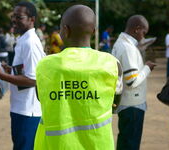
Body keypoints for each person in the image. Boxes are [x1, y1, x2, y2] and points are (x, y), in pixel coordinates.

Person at [34, 5, 122, 150]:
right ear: (94, 31)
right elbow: (115, 104)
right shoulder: (112, 64)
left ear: (65, 30)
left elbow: (40, 97)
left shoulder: (45, 65)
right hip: (98, 145)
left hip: (55, 145)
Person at [0, 1, 45, 150]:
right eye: (13, 16)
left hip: (28, 110)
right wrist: (10, 70)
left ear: (31, 19)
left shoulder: (30, 43)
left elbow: (33, 80)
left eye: (19, 17)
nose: (14, 20)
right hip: (20, 107)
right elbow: (26, 71)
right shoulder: (23, 40)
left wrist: (1, 76)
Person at [111, 15, 156, 150]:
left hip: (127, 103)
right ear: (137, 29)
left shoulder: (122, 44)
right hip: (132, 104)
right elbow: (132, 81)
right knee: (131, 143)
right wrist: (147, 67)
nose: (143, 36)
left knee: (125, 140)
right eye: (143, 32)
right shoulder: (127, 48)